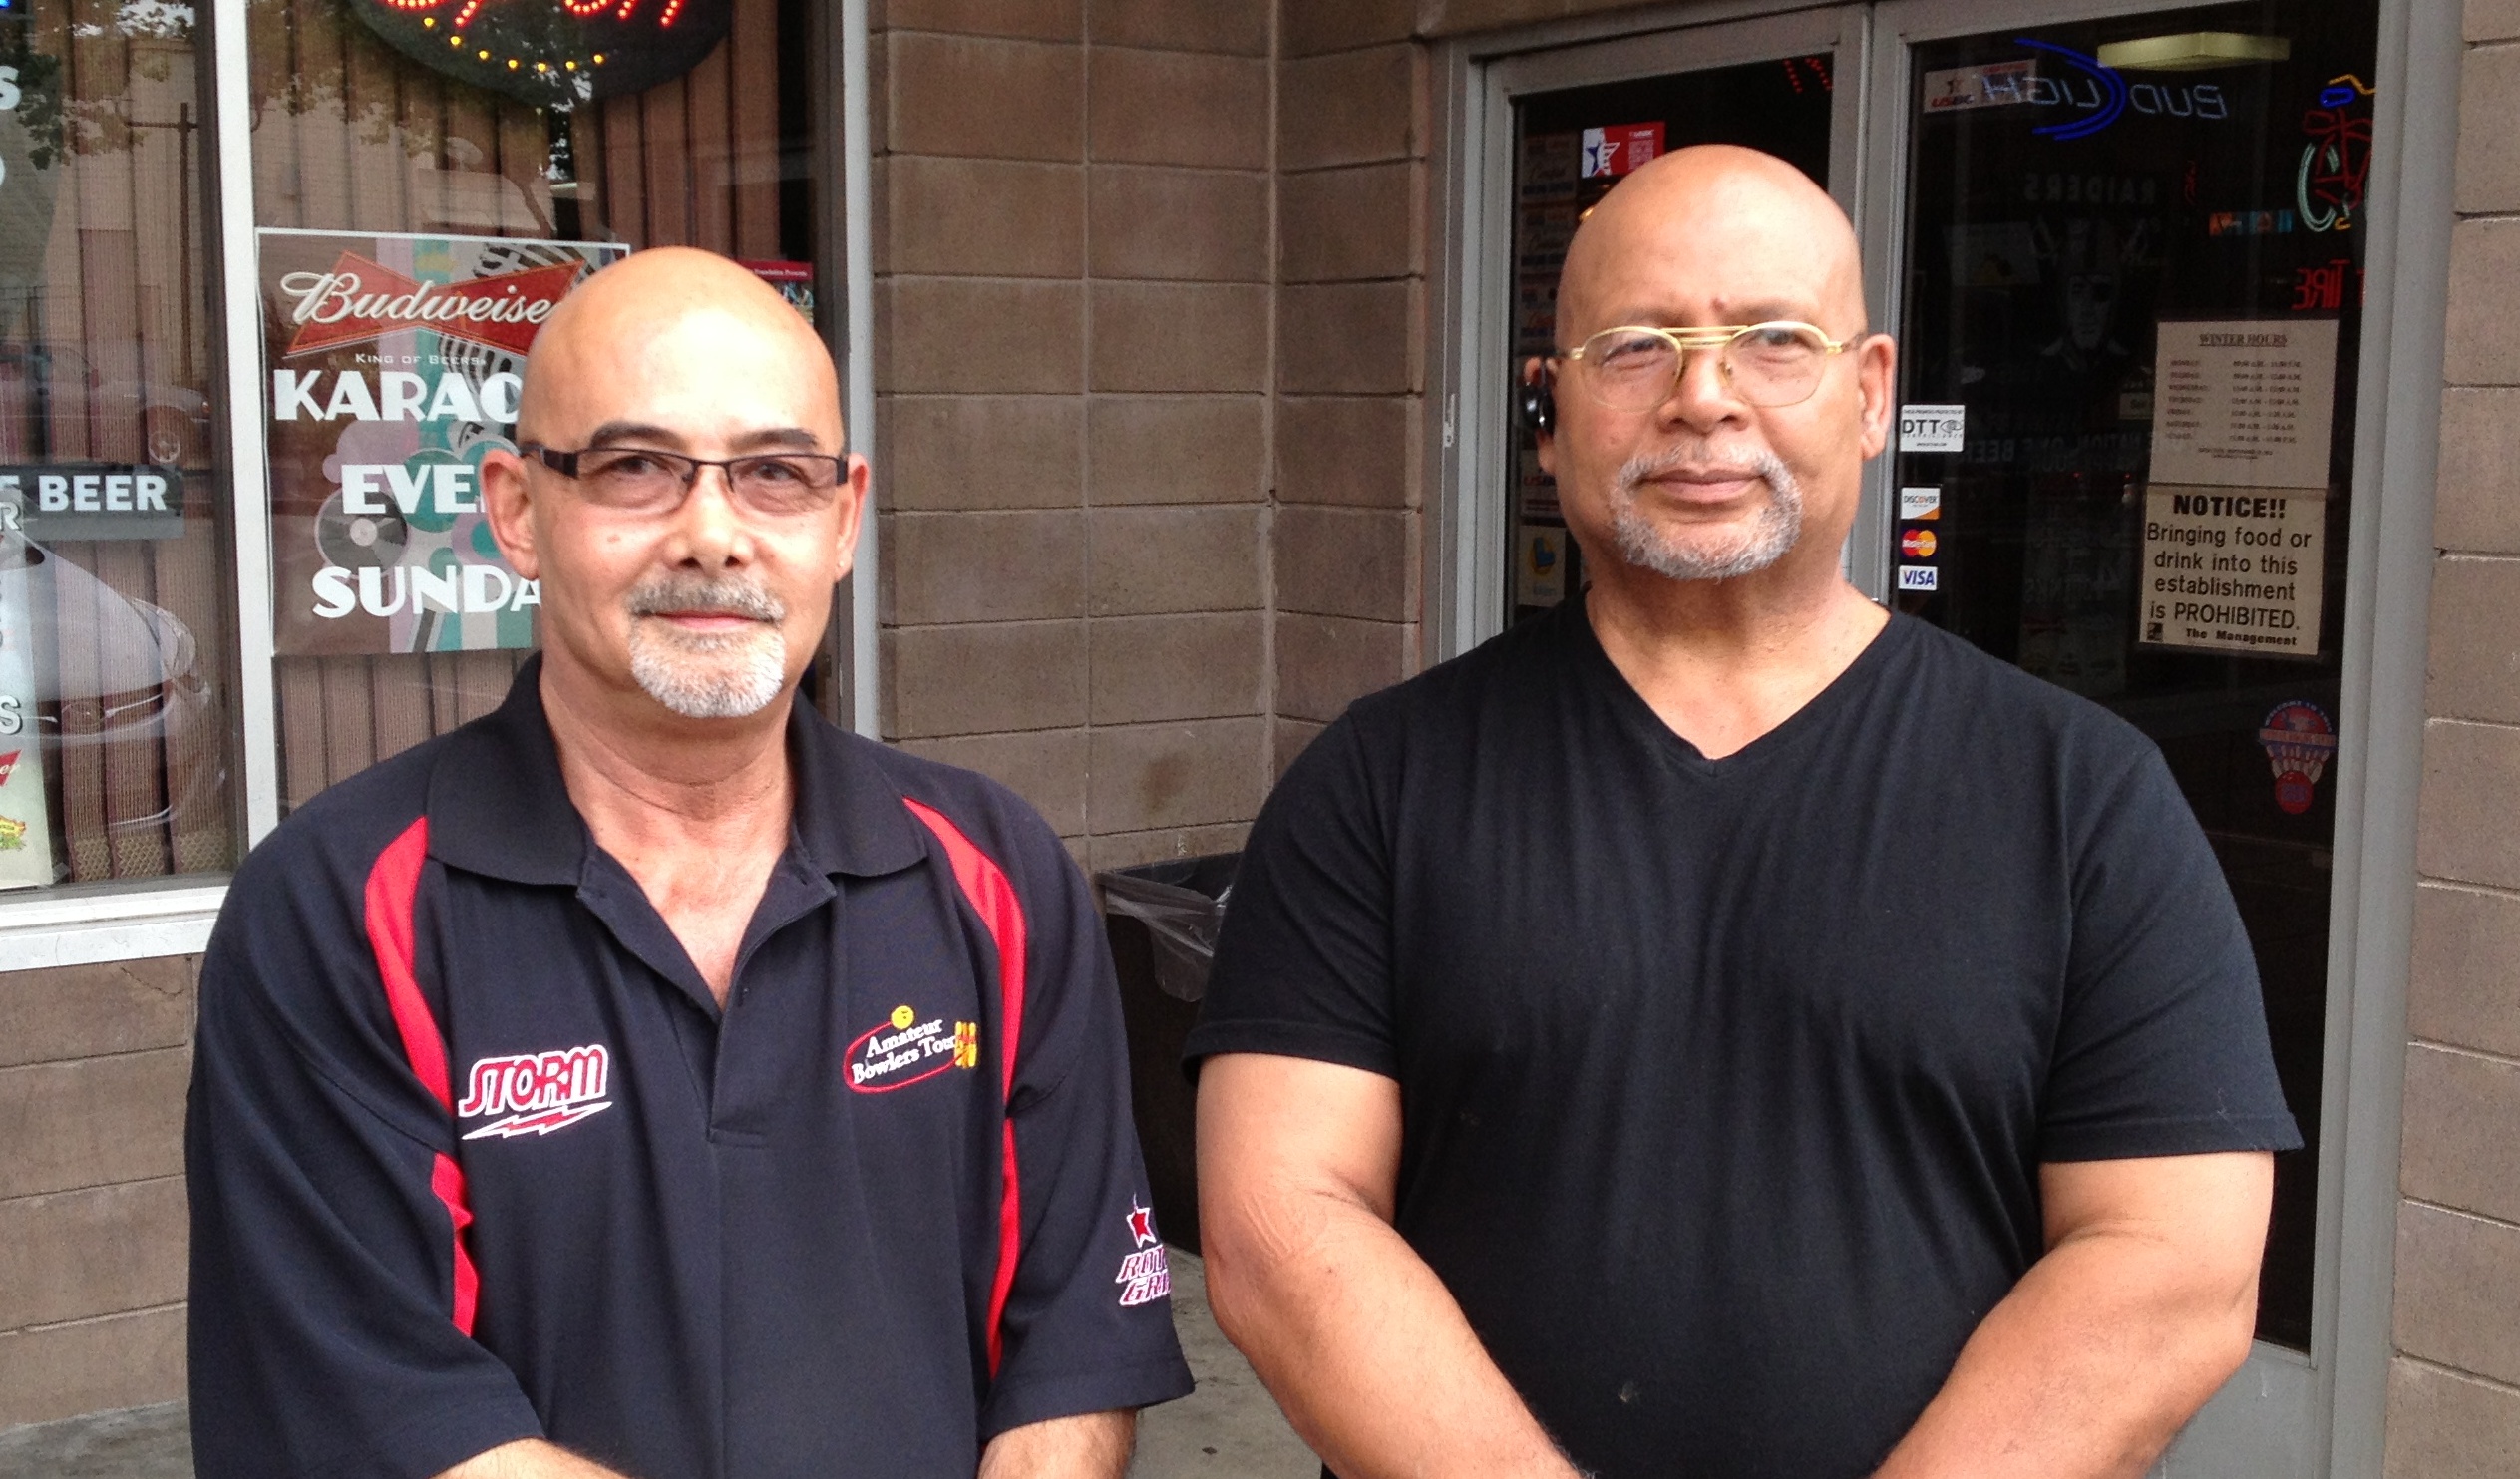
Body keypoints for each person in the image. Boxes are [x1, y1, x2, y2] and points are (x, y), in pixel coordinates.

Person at [1186, 146, 2298, 1479]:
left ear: (1869, 393)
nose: (1702, 397)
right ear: (1547, 407)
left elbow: (2169, 1264)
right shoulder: (1378, 784)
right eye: (1634, 347)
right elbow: (1280, 1224)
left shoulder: (2081, 797)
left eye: (1773, 339)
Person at [186, 247, 1191, 1479]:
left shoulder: (999, 877)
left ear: (843, 519)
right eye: (634, 466)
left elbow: (1074, 1348)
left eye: (775, 473)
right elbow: (396, 1426)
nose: (713, 535)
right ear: (516, 511)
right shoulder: (340, 910)